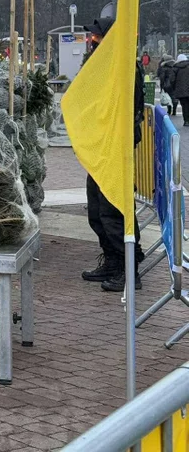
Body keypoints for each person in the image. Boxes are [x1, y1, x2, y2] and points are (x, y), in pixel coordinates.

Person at [80, 17, 145, 292]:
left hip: (115, 148)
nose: (92, 42)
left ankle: (129, 270)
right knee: (97, 210)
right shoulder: (103, 64)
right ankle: (112, 260)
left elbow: (121, 108)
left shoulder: (124, 67)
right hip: (101, 146)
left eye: (96, 38)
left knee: (114, 210)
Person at [173, 54, 189, 125]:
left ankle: (186, 121)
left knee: (184, 106)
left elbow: (172, 80)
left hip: (181, 91)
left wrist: (174, 88)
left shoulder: (176, 68)